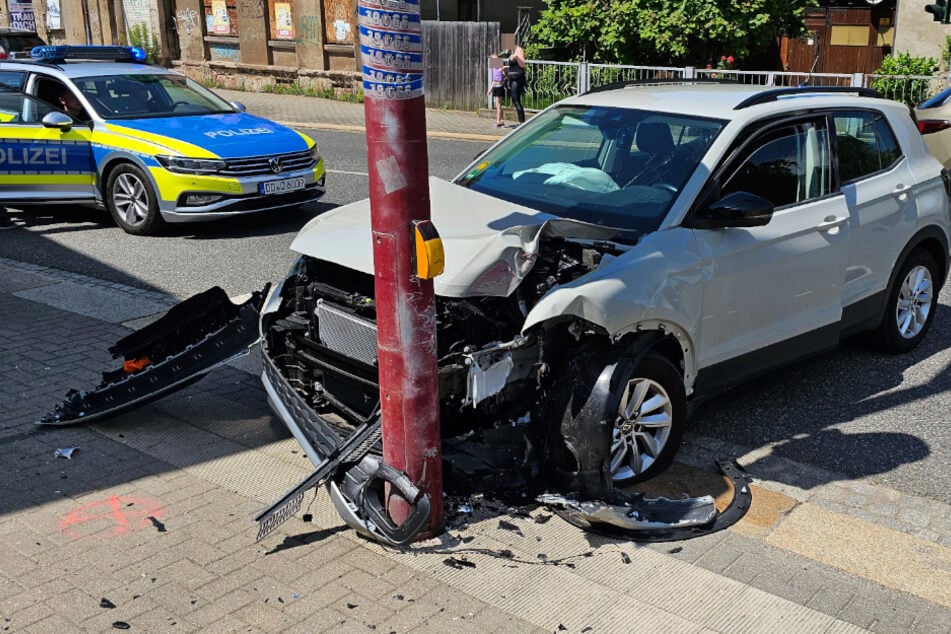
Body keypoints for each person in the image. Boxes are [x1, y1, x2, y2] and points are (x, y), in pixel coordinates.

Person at [505, 45, 527, 126]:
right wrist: (506, 67)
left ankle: (522, 123)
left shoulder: (519, 50)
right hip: (512, 78)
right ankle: (520, 122)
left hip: (517, 78)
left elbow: (522, 64)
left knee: (516, 100)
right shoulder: (512, 51)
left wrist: (517, 57)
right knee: (514, 100)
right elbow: (513, 65)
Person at [487, 54, 506, 127]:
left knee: (498, 105)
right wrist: (490, 90)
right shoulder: (494, 69)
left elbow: (505, 70)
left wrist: (503, 71)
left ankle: (498, 122)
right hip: (496, 86)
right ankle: (502, 121)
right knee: (498, 105)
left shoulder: (500, 68)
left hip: (499, 87)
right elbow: (494, 81)